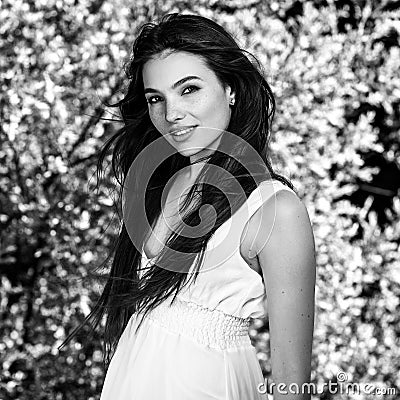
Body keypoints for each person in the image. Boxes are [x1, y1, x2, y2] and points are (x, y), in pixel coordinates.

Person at [79, 12, 316, 400]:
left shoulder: (275, 210)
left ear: (231, 90)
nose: (171, 114)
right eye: (157, 98)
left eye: (189, 89)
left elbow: (294, 384)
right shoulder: (159, 185)